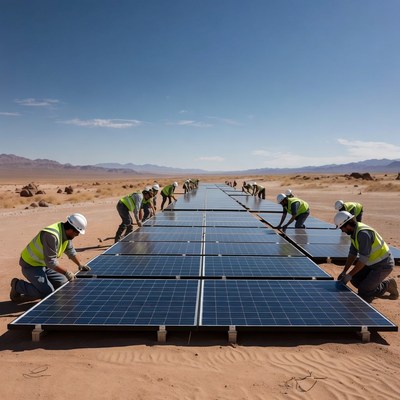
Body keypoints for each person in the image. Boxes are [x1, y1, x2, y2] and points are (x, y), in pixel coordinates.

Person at [9, 213, 90, 302]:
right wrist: (67, 272)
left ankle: (43, 287)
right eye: (78, 232)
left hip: (44, 264)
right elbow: (51, 262)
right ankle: (17, 285)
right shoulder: (51, 235)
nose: (77, 235)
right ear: (71, 229)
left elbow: (70, 250)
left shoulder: (66, 234)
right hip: (31, 264)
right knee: (47, 292)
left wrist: (80, 264)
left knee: (63, 283)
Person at [334, 211, 398, 302]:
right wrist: (345, 271)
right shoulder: (354, 232)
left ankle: (387, 285)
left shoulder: (363, 234)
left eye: (341, 228)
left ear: (347, 225)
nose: (342, 231)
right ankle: (372, 286)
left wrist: (349, 275)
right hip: (371, 264)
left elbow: (363, 259)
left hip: (383, 265)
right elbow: (352, 253)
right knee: (355, 280)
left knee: (364, 291)